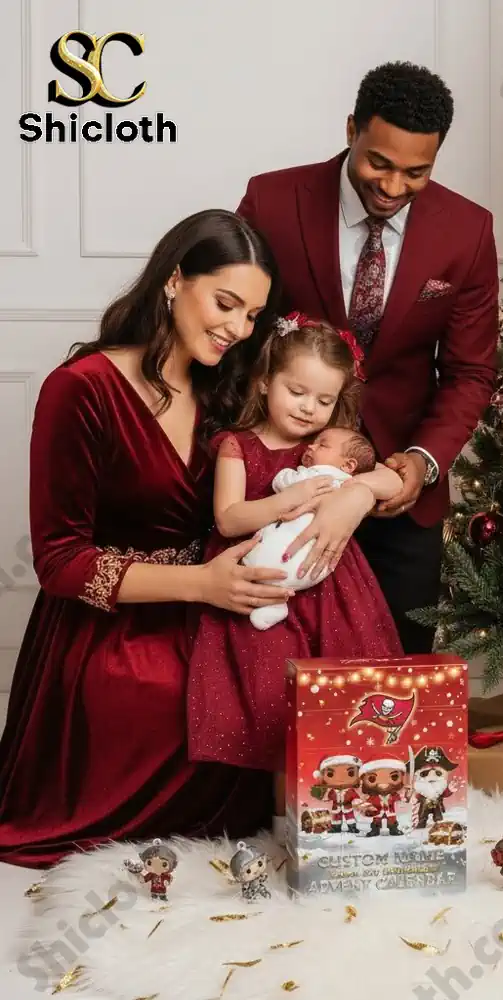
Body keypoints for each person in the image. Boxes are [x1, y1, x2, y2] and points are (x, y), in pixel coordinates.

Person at [0, 210, 378, 866]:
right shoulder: (82, 390)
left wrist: (360, 491)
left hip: (217, 611)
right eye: (225, 303)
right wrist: (203, 583)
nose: (236, 329)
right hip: (114, 625)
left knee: (289, 685)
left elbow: (321, 457)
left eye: (252, 316)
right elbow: (61, 561)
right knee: (179, 694)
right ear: (174, 280)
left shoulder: (230, 391)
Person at [236, 61, 499, 652]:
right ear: (352, 127)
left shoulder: (467, 231)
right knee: (267, 668)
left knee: (397, 681)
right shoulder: (272, 200)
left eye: (416, 172)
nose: (393, 186)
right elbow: (235, 332)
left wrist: (419, 463)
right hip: (274, 485)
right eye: (378, 163)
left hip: (398, 497)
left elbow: (470, 372)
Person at [186, 314, 404, 834]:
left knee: (342, 694)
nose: (308, 409)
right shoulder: (238, 445)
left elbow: (392, 484)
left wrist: (360, 489)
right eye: (297, 391)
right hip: (262, 588)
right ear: (265, 382)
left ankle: (336, 820)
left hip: (332, 585)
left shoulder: (335, 449)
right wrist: (290, 499)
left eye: (324, 401)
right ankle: (277, 821)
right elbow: (229, 517)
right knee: (271, 699)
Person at [241, 423, 381, 630]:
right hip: (317, 561)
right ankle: (278, 600)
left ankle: (275, 599)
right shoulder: (350, 485)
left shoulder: (320, 475)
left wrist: (285, 475)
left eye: (322, 446)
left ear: (348, 465)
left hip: (294, 543)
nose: (311, 448)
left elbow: (284, 483)